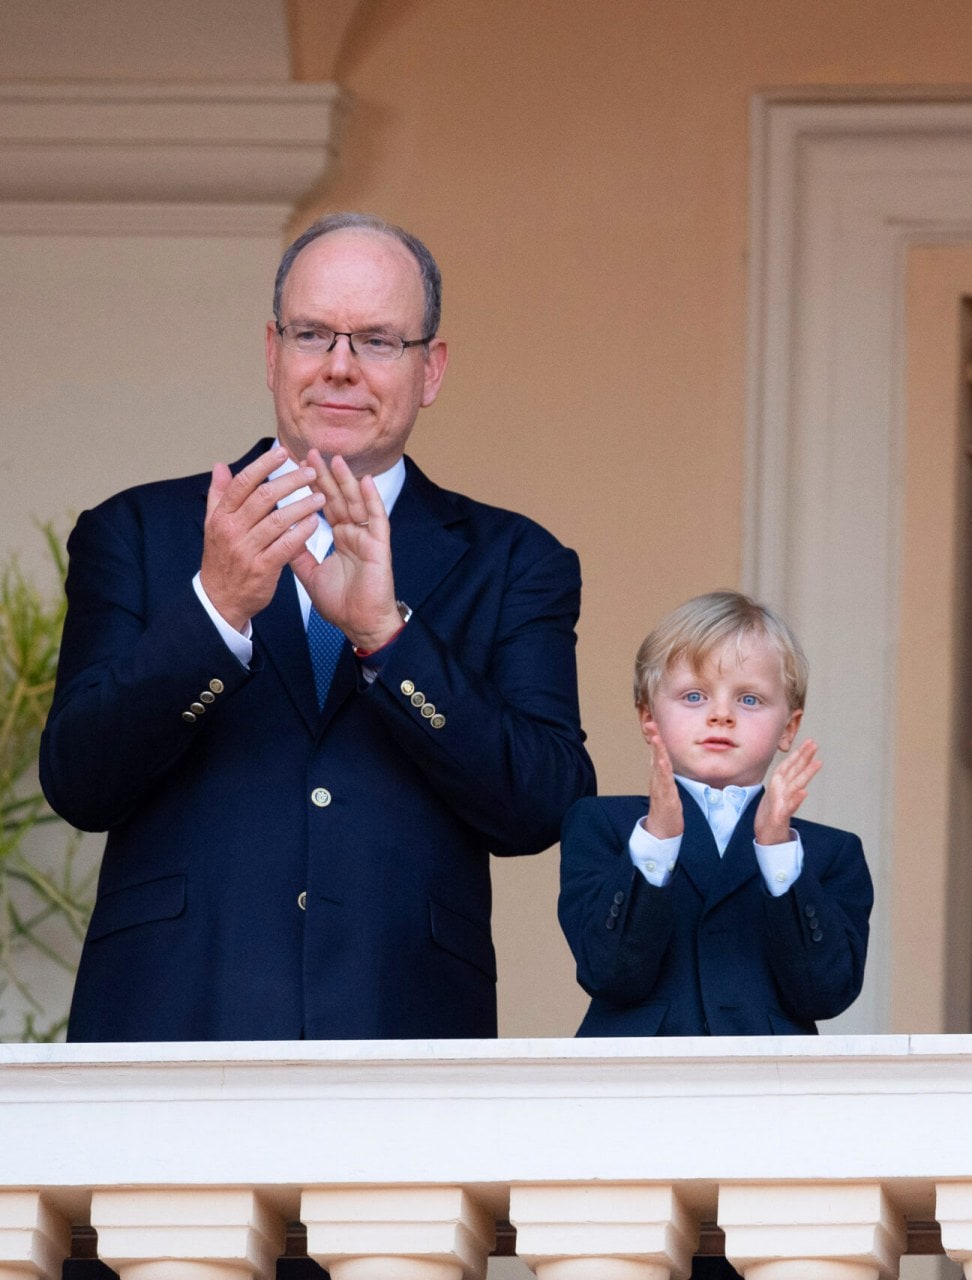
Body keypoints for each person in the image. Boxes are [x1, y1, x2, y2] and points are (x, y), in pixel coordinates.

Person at [41, 212, 596, 1041]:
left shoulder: (517, 559)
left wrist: (389, 637)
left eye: (377, 341)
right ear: (273, 352)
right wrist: (216, 610)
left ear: (431, 368)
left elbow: (545, 805)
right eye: (313, 334)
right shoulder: (140, 531)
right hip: (170, 1027)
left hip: (402, 1034)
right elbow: (78, 781)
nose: (340, 368)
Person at [558, 590, 872, 1036]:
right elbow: (609, 974)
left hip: (771, 1092)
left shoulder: (829, 852)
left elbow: (825, 993)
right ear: (649, 718)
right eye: (693, 696)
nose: (721, 715)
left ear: (789, 728)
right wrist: (658, 839)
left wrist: (776, 850)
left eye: (749, 700)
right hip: (634, 1091)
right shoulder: (602, 826)